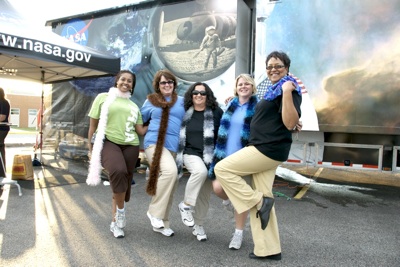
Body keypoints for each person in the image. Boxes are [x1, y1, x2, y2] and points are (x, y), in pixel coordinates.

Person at [214, 51, 302, 260]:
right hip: (266, 147)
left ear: (287, 68)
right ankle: (269, 249)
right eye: (269, 66)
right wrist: (234, 99)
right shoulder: (272, 91)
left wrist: (288, 92)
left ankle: (258, 202)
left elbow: (290, 122)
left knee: (222, 169)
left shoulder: (288, 89)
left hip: (266, 149)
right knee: (264, 196)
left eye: (278, 66)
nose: (273, 69)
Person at [86, 70, 147, 238]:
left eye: (130, 81)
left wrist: (158, 117)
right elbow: (92, 125)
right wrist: (90, 148)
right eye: (123, 79)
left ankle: (115, 223)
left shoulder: (134, 106)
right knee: (118, 171)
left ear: (133, 86)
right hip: (108, 142)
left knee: (124, 182)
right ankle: (120, 213)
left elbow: (140, 130)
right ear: (117, 81)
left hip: (131, 146)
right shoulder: (103, 98)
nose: (126, 82)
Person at [208, 74, 259, 250]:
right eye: (240, 84)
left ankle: (238, 233)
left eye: (247, 84)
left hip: (243, 158)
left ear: (253, 87)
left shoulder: (258, 106)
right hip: (224, 155)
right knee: (218, 188)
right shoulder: (230, 104)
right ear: (236, 88)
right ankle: (230, 202)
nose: (243, 86)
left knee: (239, 196)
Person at [140, 69, 185, 237]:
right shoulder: (150, 101)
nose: (167, 85)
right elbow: (138, 118)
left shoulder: (182, 101)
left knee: (171, 183)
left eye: (170, 82)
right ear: (158, 86)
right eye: (163, 82)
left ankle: (163, 223)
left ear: (174, 84)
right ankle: (154, 212)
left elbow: (201, 107)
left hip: (174, 146)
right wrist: (142, 129)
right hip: (154, 144)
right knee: (170, 172)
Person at [176, 82, 223, 241]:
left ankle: (199, 225)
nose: (198, 95)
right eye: (195, 92)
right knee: (200, 172)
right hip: (190, 152)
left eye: (202, 93)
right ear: (191, 95)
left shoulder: (216, 112)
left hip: (210, 156)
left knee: (204, 194)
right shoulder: (185, 112)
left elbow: (228, 127)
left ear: (207, 96)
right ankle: (186, 205)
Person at [0, 87, 10, 177]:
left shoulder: (3, 102)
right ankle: (2, 172)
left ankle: (2, 172)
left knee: (1, 148)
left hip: (2, 129)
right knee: (1, 149)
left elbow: (2, 117)